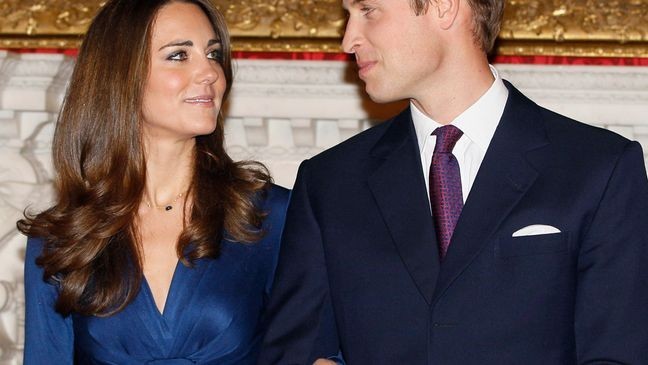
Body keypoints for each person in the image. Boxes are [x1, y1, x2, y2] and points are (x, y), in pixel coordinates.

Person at [259, 0, 648, 363]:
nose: (348, 39)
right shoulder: (329, 183)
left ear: (444, 7)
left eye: (368, 10)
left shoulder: (600, 169)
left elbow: (618, 352)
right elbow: (293, 349)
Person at [18, 0, 289, 363]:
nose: (209, 72)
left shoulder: (270, 216)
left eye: (213, 54)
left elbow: (318, 346)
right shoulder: (62, 238)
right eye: (179, 55)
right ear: (121, 74)